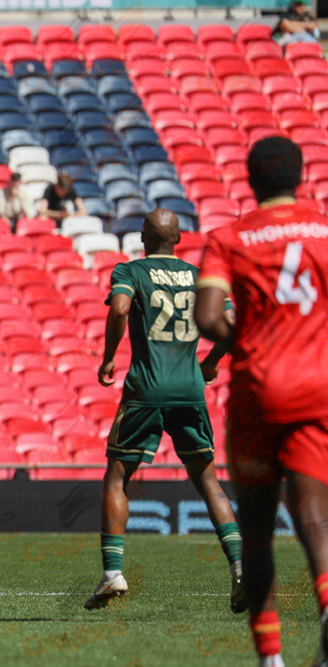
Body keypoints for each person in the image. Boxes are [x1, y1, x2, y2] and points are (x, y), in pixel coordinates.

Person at [194, 136, 328, 667]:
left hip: (258, 390)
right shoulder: (325, 229)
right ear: (300, 176)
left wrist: (243, 331)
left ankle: (270, 658)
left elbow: (207, 318)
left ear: (250, 181)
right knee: (315, 512)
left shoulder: (230, 238)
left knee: (256, 526)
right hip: (318, 387)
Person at [85, 208, 244, 613]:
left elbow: (120, 309)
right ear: (178, 239)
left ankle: (113, 573)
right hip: (190, 388)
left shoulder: (131, 270)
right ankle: (241, 567)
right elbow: (232, 319)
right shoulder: (198, 275)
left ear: (142, 235)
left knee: (118, 477)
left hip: (146, 388)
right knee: (208, 481)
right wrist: (210, 363)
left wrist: (107, 358)